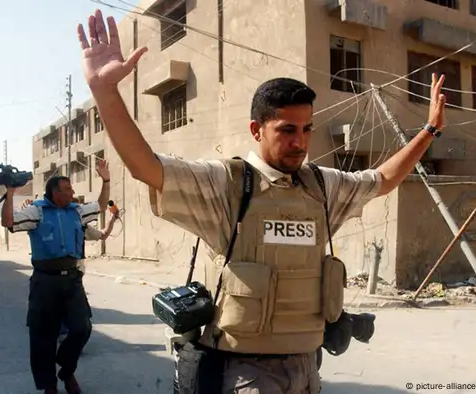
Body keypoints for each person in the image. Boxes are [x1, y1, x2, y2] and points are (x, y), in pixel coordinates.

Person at [76, 9, 446, 394]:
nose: (300, 142)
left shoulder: (321, 187)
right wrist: (105, 91)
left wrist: (430, 130)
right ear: (256, 129)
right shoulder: (228, 184)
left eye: (306, 129)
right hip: (245, 371)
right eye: (287, 130)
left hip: (307, 366)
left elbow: (382, 179)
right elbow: (146, 167)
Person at [1, 160, 113, 394]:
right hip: (45, 281)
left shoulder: (76, 211)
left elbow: (101, 206)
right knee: (43, 335)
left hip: (72, 280)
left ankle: (66, 369)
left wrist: (106, 180)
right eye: (68, 189)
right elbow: (9, 222)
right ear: (56, 193)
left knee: (82, 328)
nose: (73, 192)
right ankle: (49, 384)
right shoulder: (37, 211)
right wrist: (10, 192)